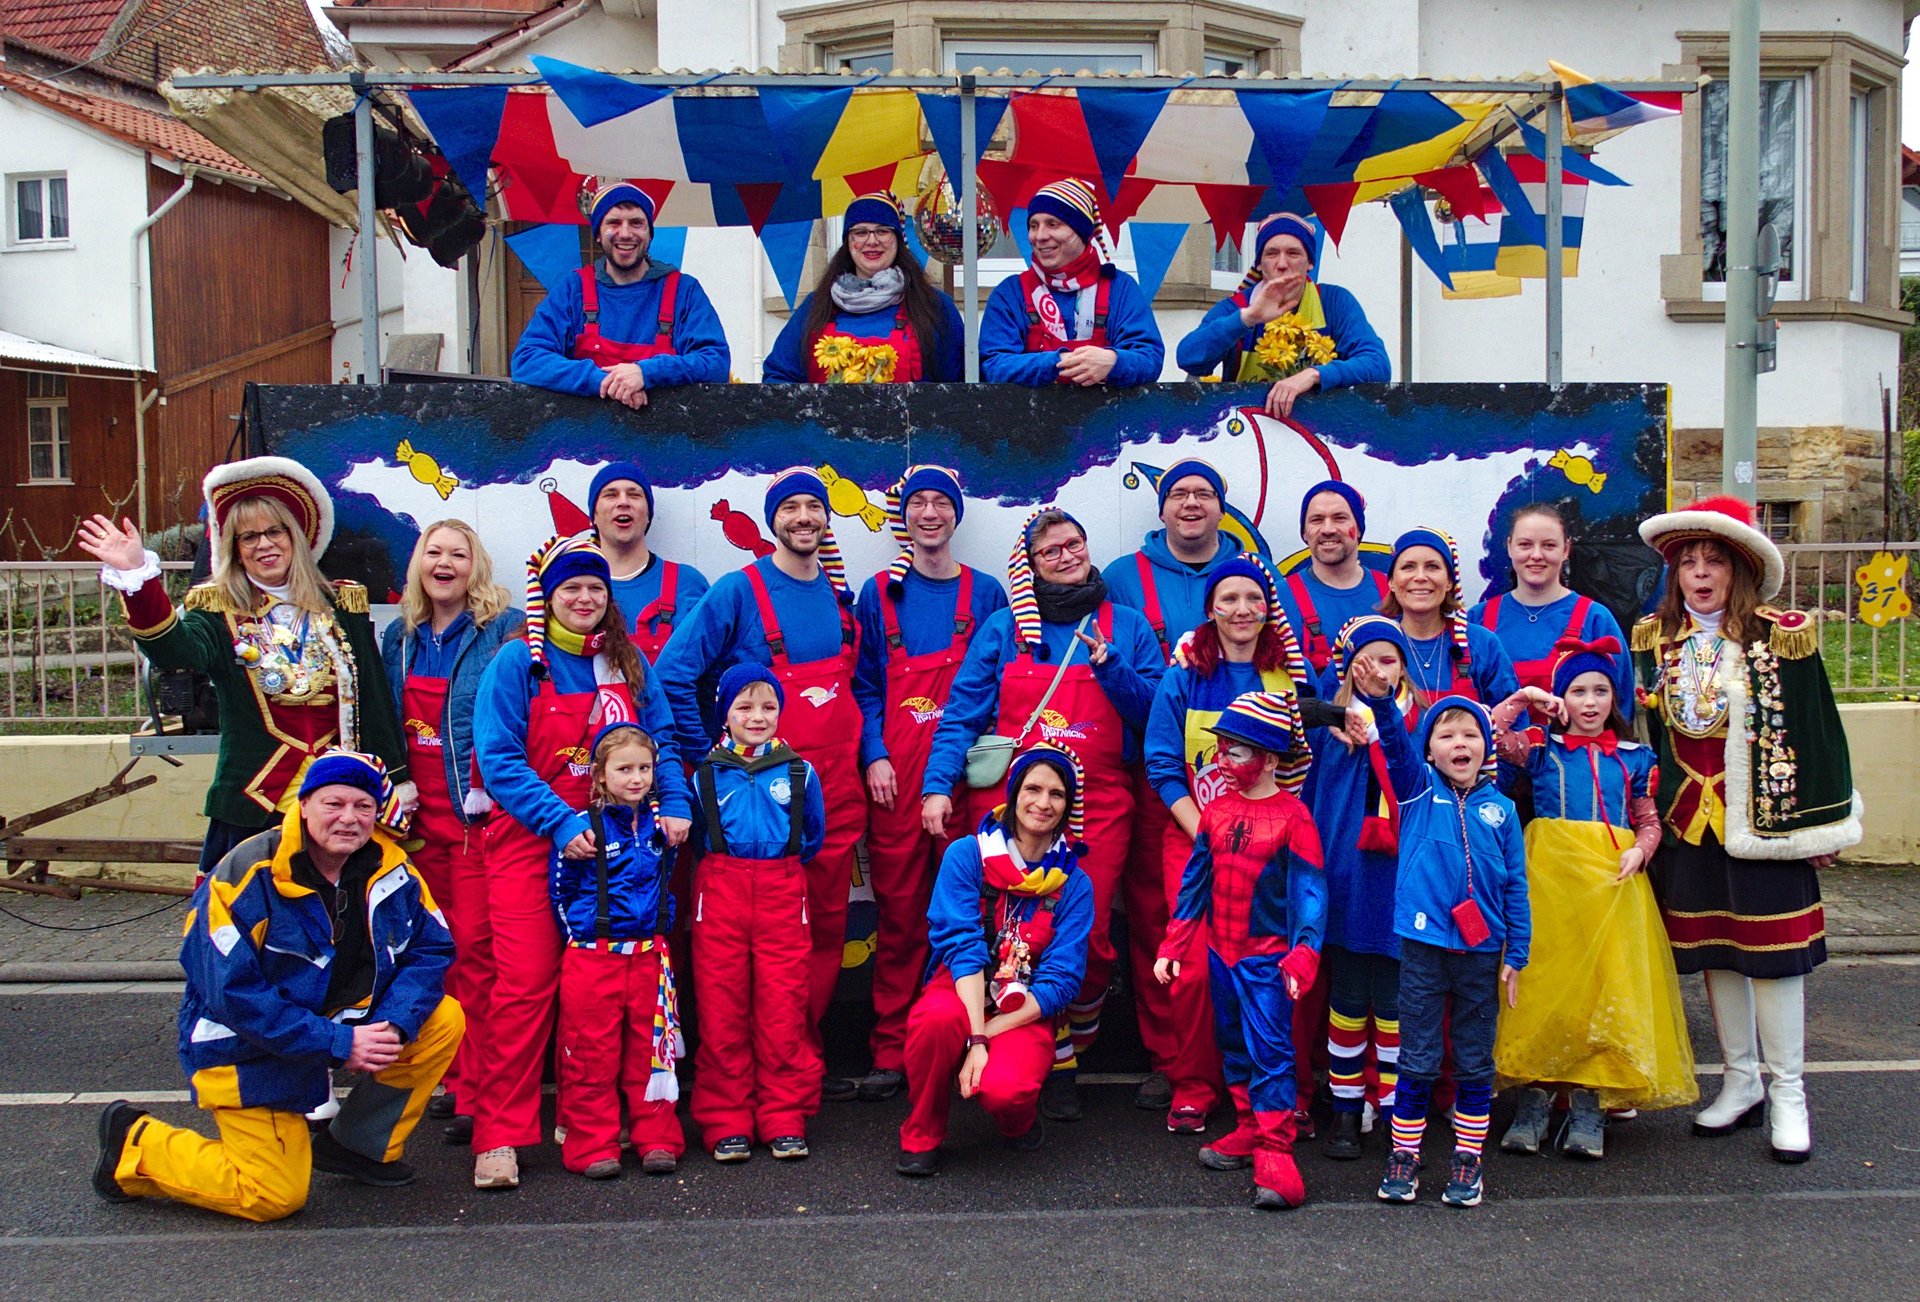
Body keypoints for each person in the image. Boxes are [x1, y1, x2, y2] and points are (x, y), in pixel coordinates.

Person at [93, 750, 462, 1221]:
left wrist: (394, 1023)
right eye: (334, 804)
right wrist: (338, 1043)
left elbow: (429, 951)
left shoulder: (394, 869)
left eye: (363, 807)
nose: (349, 819)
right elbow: (233, 996)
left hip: (333, 1024)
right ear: (303, 806)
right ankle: (136, 1146)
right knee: (272, 1197)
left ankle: (359, 1145)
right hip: (249, 1046)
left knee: (439, 1019)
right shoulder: (243, 874)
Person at [1632, 496, 1862, 1164]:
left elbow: (1818, 731)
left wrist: (1823, 826)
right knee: (1715, 952)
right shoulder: (1654, 640)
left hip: (1764, 824)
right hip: (1687, 824)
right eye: (1688, 563)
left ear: (1740, 570)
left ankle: (1789, 1091)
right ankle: (1740, 1081)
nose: (1701, 575)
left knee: (1774, 956)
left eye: (1714, 562)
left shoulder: (1780, 634)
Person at [921, 507, 1164, 1121]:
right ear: (1030, 566)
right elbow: (962, 715)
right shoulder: (1004, 629)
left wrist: (1112, 669)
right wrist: (937, 786)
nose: (1067, 555)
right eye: (1051, 550)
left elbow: (1155, 716)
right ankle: (1034, 1054)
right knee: (1005, 936)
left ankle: (1066, 1048)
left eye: (1075, 544)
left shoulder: (1127, 626)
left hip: (1099, 805)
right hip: (1013, 805)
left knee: (1093, 942)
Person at [469, 534, 693, 1191]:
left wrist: (674, 801)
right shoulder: (518, 666)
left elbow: (668, 740)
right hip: (532, 842)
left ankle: (586, 1119)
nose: (585, 598)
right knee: (527, 988)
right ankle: (500, 1136)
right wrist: (560, 820)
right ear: (549, 596)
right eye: (571, 588)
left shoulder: (629, 664)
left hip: (620, 853)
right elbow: (501, 758)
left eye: (595, 588)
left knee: (610, 999)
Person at [77, 458, 410, 877]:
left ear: (296, 537)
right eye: (248, 536)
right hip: (257, 802)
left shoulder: (342, 606)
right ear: (233, 548)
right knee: (249, 921)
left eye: (274, 531)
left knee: (341, 920)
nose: (263, 544)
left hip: (340, 801)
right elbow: (174, 652)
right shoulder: (218, 611)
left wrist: (395, 780)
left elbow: (373, 699)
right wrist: (138, 580)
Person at [654, 468, 865, 1085]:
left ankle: (796, 1062)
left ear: (827, 519)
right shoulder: (736, 592)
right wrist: (705, 760)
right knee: (732, 957)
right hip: (750, 810)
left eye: (814, 508)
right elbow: (672, 675)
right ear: (772, 521)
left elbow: (862, 687)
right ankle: (734, 1078)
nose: (804, 517)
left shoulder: (839, 595)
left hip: (828, 791)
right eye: (790, 508)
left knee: (822, 933)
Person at [1143, 554, 1353, 1133]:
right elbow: (1162, 764)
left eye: (1252, 599)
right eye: (1228, 599)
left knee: (1285, 968)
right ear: (1210, 609)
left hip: (1275, 848)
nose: (1241, 609)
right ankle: (1194, 1084)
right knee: (1190, 969)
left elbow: (1322, 741)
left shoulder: (1290, 673)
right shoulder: (1184, 673)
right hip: (1195, 838)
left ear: (1268, 608)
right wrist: (1207, 835)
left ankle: (1293, 1090)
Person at [1488, 639, 1696, 1160]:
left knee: (1604, 989)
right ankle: (1533, 1103)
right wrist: (1525, 697)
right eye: (1577, 690)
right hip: (1551, 880)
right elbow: (1491, 735)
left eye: (1600, 690)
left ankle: (1589, 1106)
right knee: (1544, 983)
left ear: (1614, 699)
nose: (1589, 701)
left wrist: (1641, 851)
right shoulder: (1541, 748)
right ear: (1563, 699)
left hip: (1610, 884)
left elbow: (1649, 819)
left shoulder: (1635, 757)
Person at [849, 466, 1008, 1101]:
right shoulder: (878, 592)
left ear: (957, 515)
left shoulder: (989, 592)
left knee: (975, 912)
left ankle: (972, 1036)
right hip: (895, 776)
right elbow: (861, 685)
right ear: (903, 517)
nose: (931, 514)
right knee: (900, 916)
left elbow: (1003, 682)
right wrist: (873, 755)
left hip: (968, 777)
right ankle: (892, 1046)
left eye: (943, 502)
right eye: (919, 504)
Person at [1102, 457, 1252, 1117]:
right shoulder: (1121, 579)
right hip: (1163, 782)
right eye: (1179, 494)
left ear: (1222, 507)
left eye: (1205, 493)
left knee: (1249, 931)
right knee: (1160, 923)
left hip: (1251, 797)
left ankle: (1243, 1065)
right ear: (1160, 508)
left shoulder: (1257, 576)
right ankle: (1172, 1061)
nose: (1191, 503)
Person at [380, 520, 524, 1146]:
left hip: (472, 822)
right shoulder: (398, 637)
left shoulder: (503, 630)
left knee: (477, 953)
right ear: (418, 565)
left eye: (457, 554)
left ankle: (479, 1087)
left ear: (476, 566)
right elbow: (383, 720)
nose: (445, 563)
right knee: (431, 956)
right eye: (433, 553)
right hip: (415, 824)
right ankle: (451, 1070)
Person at [1154, 691, 1327, 1209]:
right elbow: (1194, 884)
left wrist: (1303, 954)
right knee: (1232, 1041)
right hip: (1219, 953)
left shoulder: (1295, 818)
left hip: (1266, 959)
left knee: (1271, 1052)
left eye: (1235, 751)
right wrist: (1174, 944)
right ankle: (1250, 1125)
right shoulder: (1216, 812)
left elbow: (1311, 895)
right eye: (1222, 748)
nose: (1222, 761)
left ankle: (1277, 1151)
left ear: (1270, 759)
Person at [896, 745, 1095, 1175]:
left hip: (1023, 1006)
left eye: (1057, 794)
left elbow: (1061, 980)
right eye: (1034, 789)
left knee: (1006, 1089)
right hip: (961, 986)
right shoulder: (968, 855)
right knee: (934, 1024)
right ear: (1014, 790)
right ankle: (922, 1132)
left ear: (1068, 806)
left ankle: (1018, 1122)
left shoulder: (1075, 883)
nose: (1043, 803)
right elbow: (962, 944)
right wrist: (974, 1035)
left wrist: (983, 1037)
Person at [1365, 693, 1530, 1209]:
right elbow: (1392, 743)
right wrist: (1380, 704)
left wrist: (1516, 954)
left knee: (1475, 1059)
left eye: (1471, 735)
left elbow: (1516, 887)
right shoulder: (1415, 792)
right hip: (1423, 947)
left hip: (1482, 951)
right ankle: (1405, 1154)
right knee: (1418, 1057)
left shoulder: (1502, 810)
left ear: (1486, 747)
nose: (1460, 743)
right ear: (1430, 751)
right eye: (1447, 735)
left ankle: (1467, 1156)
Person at [690, 664, 828, 1162]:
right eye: (744, 707)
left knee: (782, 1008)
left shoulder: (799, 771)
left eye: (768, 706)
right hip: (721, 892)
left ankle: (783, 1115)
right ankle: (726, 1118)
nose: (757, 716)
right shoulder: (704, 772)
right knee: (722, 1010)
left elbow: (812, 837)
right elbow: (699, 838)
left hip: (782, 891)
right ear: (724, 714)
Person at [550, 722, 687, 1179]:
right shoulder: (581, 829)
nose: (636, 778)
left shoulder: (661, 827)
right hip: (594, 957)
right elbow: (560, 892)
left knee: (652, 1051)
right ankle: (592, 1144)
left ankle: (657, 1137)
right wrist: (584, 938)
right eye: (624, 768)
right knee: (591, 1053)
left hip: (649, 955)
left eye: (645, 768)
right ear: (601, 774)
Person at [1307, 615, 1414, 1161]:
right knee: (1347, 1003)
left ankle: (1398, 1114)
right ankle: (1347, 1107)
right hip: (1346, 883)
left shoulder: (1416, 727)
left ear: (1405, 670)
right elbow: (1314, 804)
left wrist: (1383, 716)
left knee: (1396, 1009)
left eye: (1388, 660)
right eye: (1364, 662)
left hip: (1400, 889)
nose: (1376, 671)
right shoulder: (1331, 732)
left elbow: (1407, 774)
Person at [511, 181, 730, 406]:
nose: (625, 233)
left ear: (649, 233)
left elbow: (716, 362)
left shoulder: (684, 292)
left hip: (667, 437)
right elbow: (527, 360)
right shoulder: (572, 290)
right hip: (584, 437)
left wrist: (646, 373)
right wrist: (606, 381)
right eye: (614, 222)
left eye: (636, 223)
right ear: (597, 234)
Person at [1176, 212, 1389, 418]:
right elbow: (1188, 358)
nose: (1282, 264)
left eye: (1293, 253)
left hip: (1322, 431)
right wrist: (1247, 319)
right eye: (1271, 253)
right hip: (1245, 432)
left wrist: (1314, 375)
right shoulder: (1237, 307)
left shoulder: (1334, 302)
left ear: (1310, 263)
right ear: (1259, 263)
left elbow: (1378, 365)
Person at [978, 177, 1165, 386]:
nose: (1039, 236)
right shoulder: (1011, 294)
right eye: (1033, 225)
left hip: (1110, 417)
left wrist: (1113, 361)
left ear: (1080, 231)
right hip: (1028, 418)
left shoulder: (1120, 288)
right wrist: (1059, 362)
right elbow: (993, 366)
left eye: (1053, 224)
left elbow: (1150, 358)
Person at [765, 192, 965, 383]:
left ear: (897, 239)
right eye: (860, 232)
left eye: (882, 231)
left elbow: (960, 384)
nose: (871, 241)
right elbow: (779, 378)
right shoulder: (815, 307)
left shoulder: (934, 306)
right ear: (848, 241)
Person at [1468, 503, 1633, 721]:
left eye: (1548, 545)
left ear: (1566, 549)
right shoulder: (1477, 621)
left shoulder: (1595, 619)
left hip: (1575, 754)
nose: (1536, 555)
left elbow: (1621, 706)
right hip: (1495, 754)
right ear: (1509, 547)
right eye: (1525, 544)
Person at [1383, 526, 1519, 726]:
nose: (1420, 577)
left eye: (1432, 567)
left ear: (1449, 582)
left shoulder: (1481, 644)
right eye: (1408, 567)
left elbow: (1513, 722)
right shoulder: (1374, 643)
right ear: (1392, 582)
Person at [586, 461, 712, 664]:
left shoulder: (688, 583)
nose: (623, 502)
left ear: (648, 515)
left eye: (634, 494)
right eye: (611, 494)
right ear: (594, 515)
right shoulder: (570, 588)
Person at [1274, 480, 1391, 677]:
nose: (1328, 529)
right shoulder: (1278, 598)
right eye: (1317, 520)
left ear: (1359, 529)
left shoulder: (1392, 592)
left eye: (1339, 518)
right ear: (1304, 532)